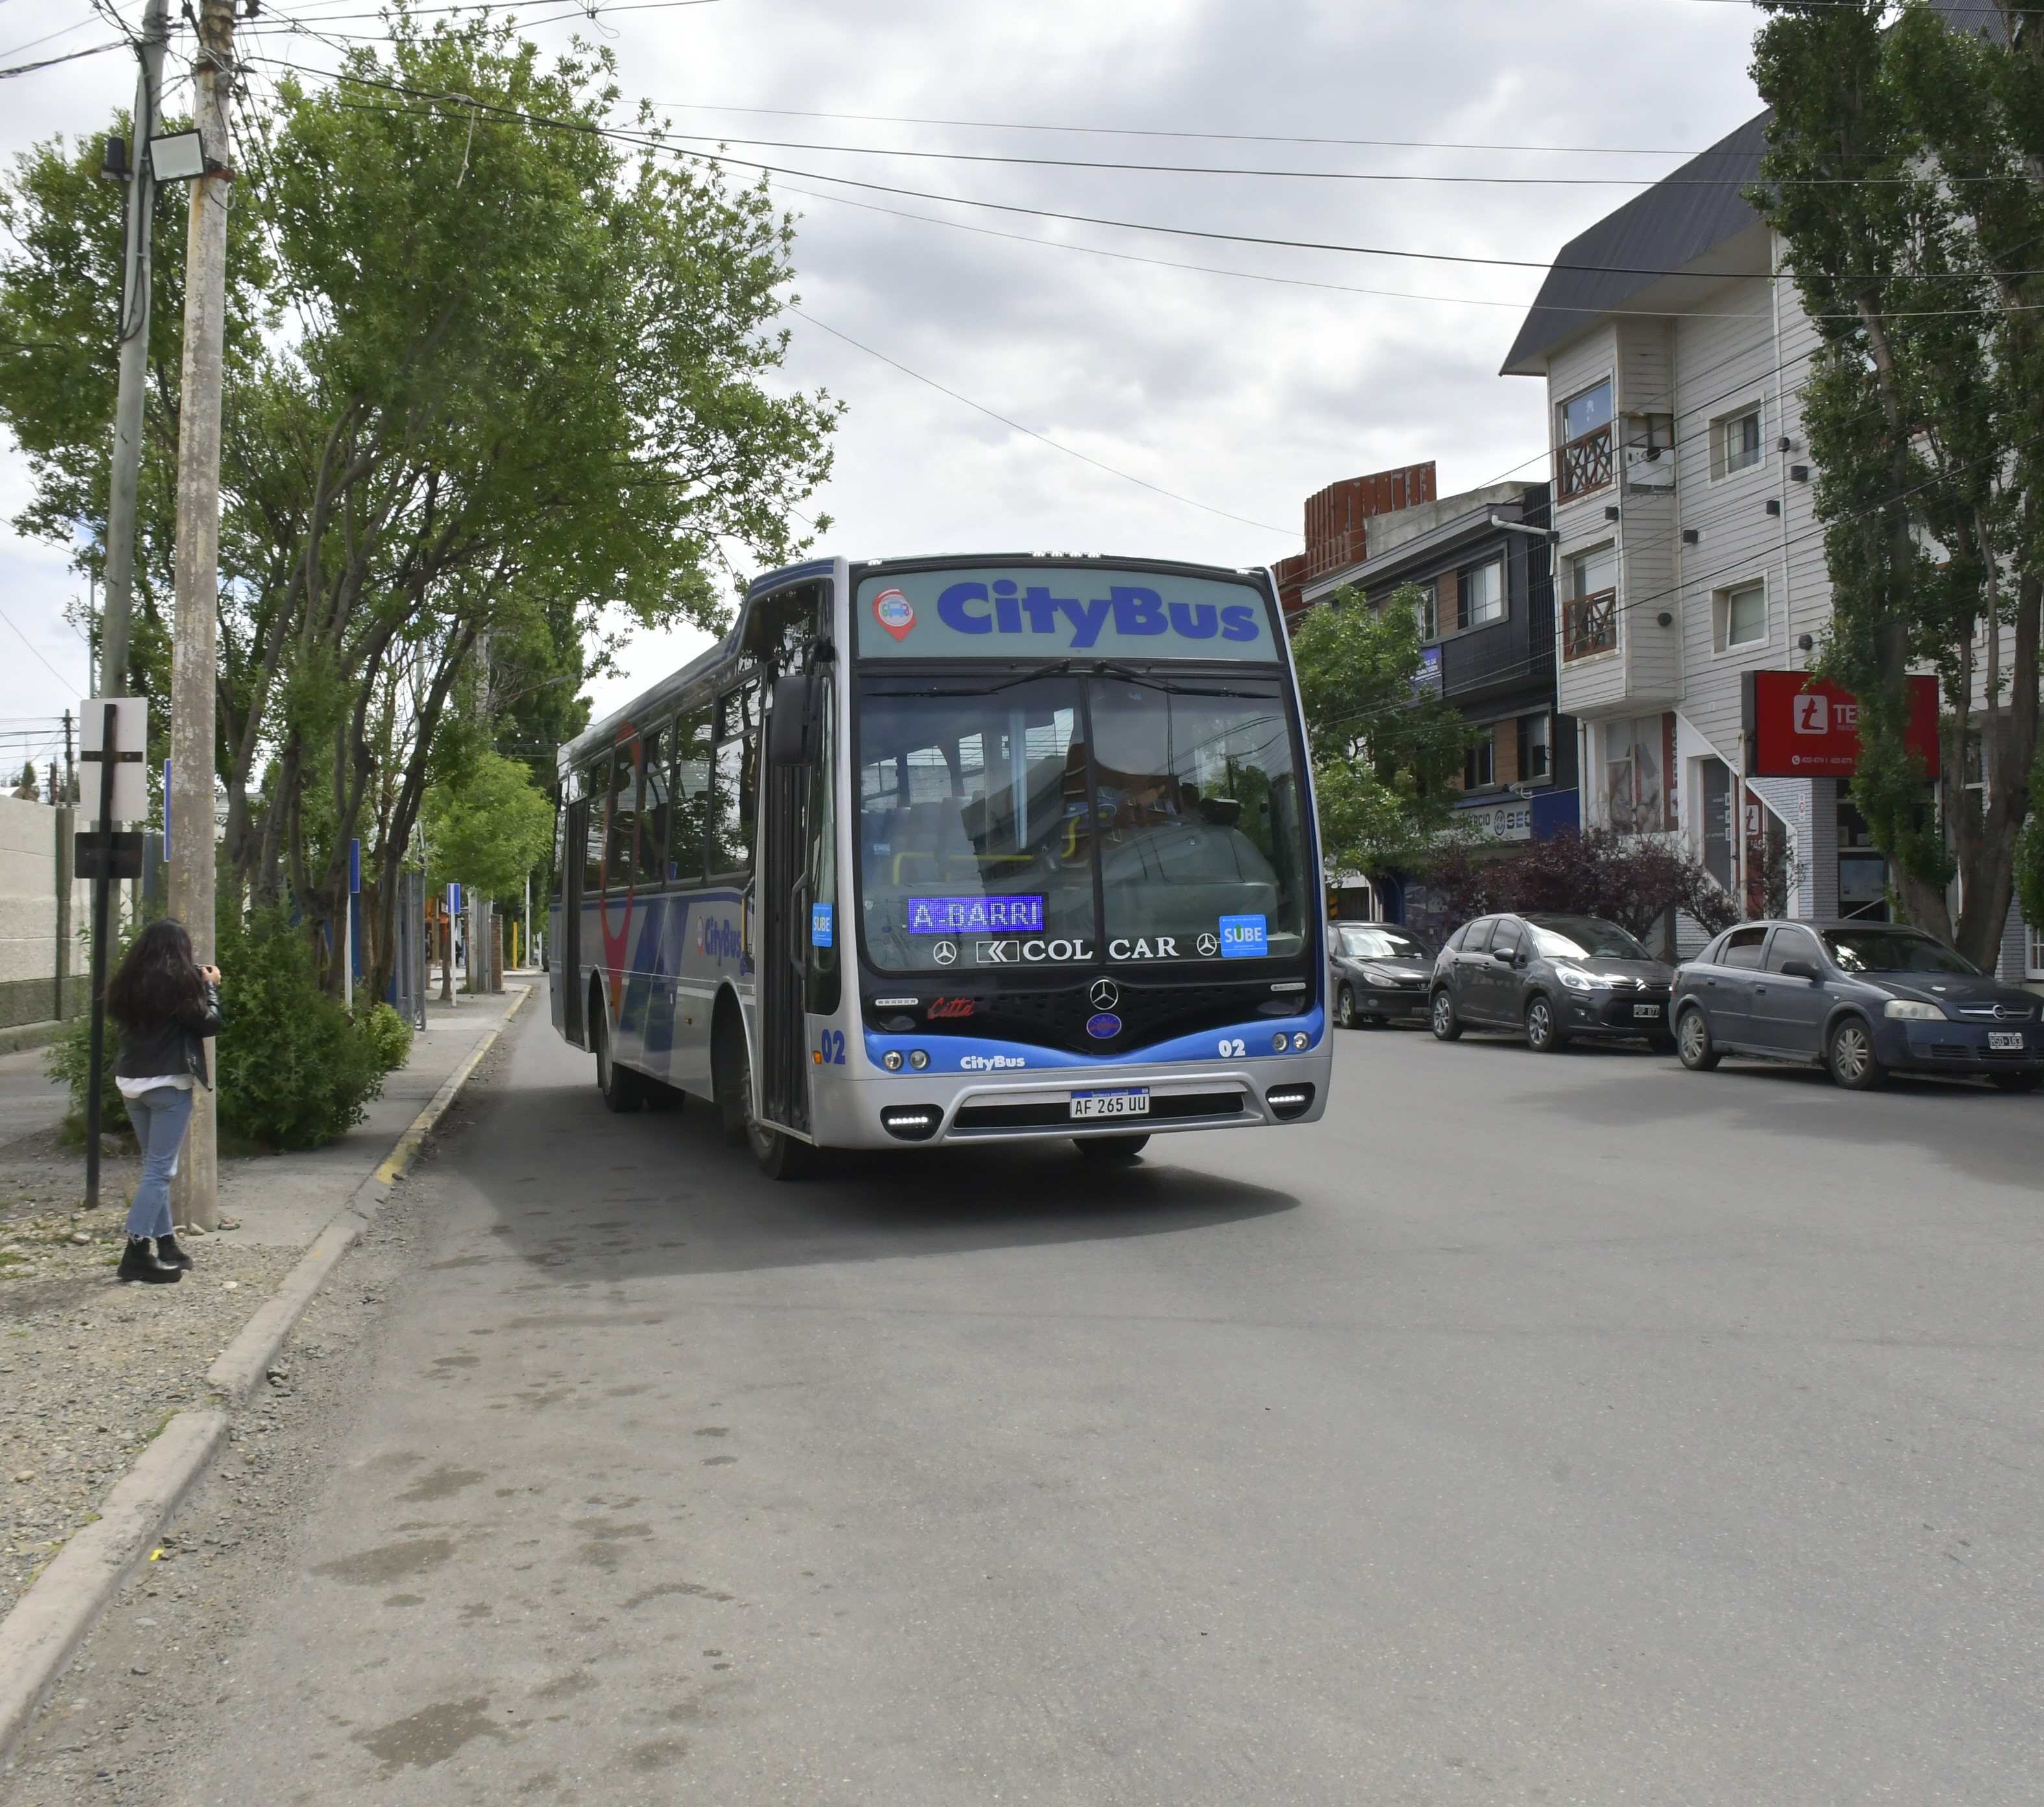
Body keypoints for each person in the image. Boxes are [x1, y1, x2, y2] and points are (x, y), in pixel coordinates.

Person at [106, 918, 221, 1285]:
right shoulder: (180, 984)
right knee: (160, 1171)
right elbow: (209, 1024)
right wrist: (211, 987)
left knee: (154, 1168)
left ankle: (167, 1244)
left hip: (131, 1084)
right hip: (168, 1084)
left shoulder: (128, 982)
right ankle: (136, 1253)